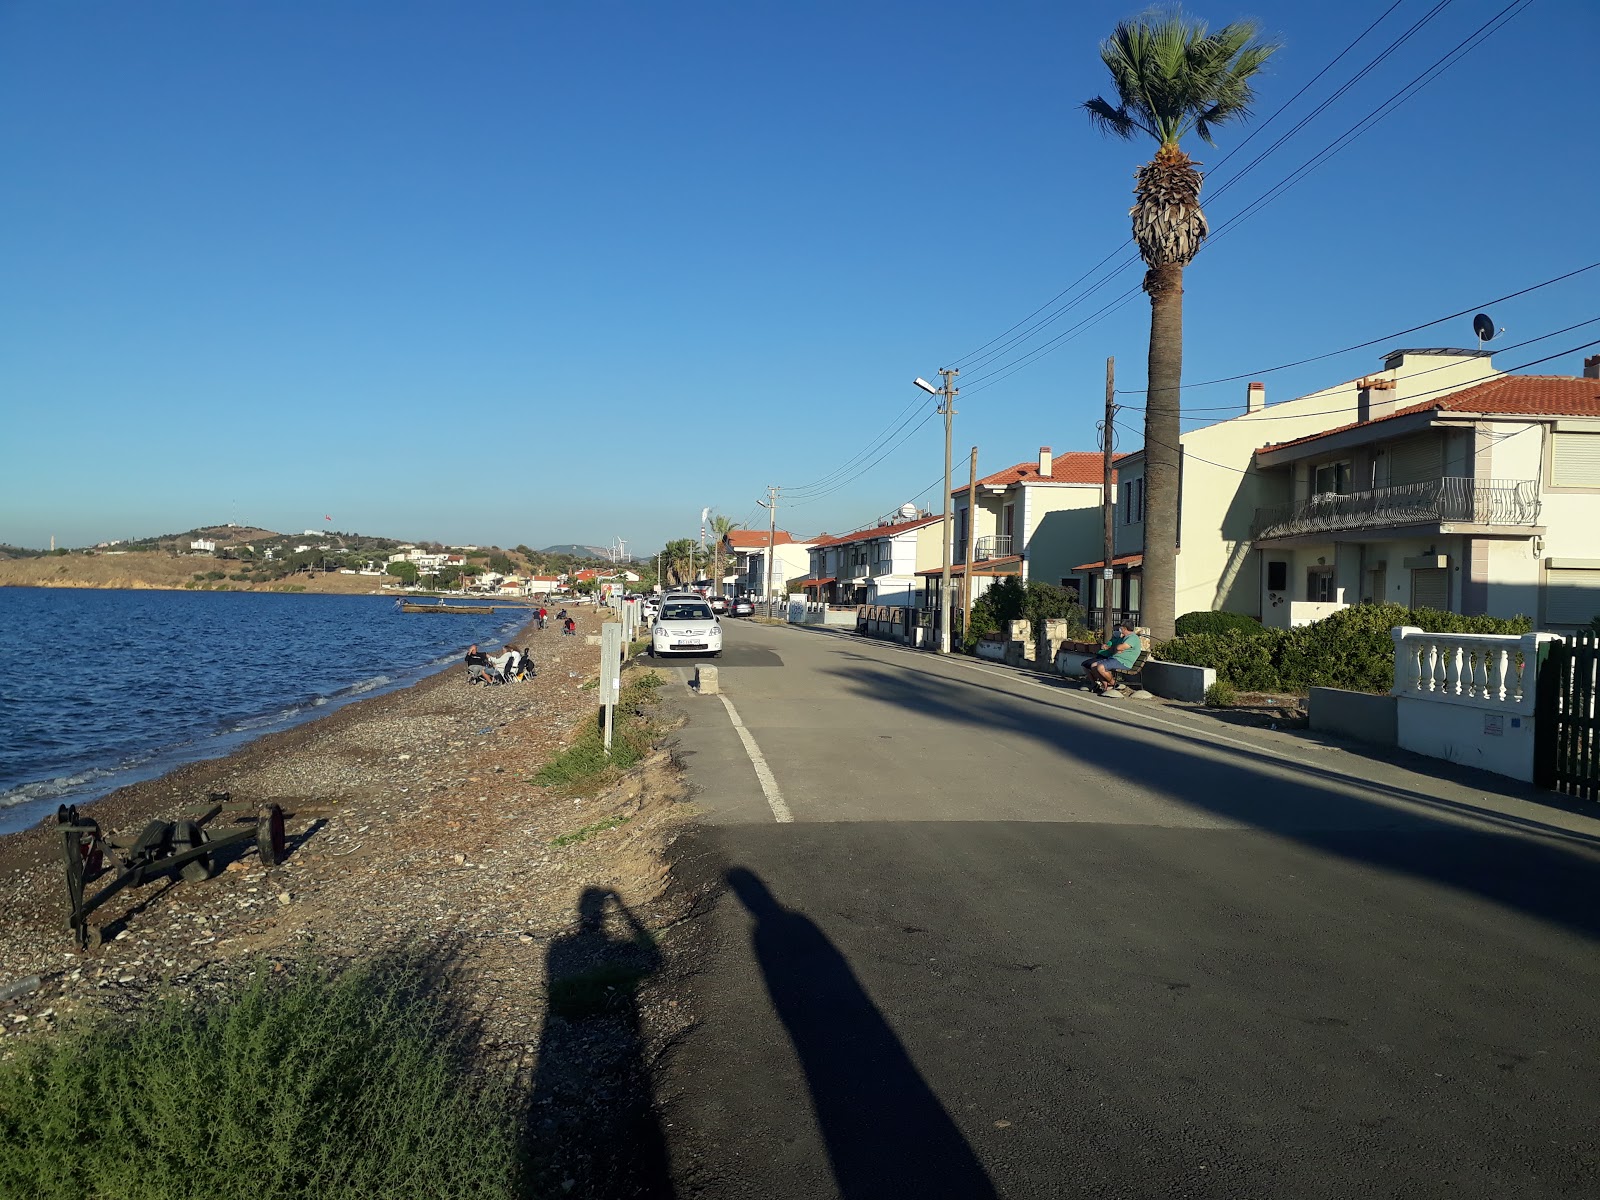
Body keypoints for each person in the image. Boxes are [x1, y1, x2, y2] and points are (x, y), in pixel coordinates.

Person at [1082, 620, 1143, 695]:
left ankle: (1114, 684)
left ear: (1125, 628)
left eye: (1121, 628)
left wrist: (1117, 648)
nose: (1120, 630)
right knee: (1093, 666)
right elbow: (1117, 648)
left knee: (1100, 667)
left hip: (1123, 661)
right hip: (1115, 658)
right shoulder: (1125, 637)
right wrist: (1117, 648)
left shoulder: (1132, 638)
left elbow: (1120, 647)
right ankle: (1106, 685)